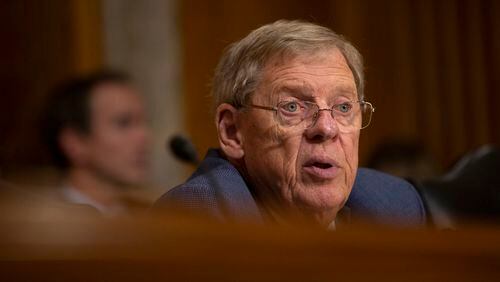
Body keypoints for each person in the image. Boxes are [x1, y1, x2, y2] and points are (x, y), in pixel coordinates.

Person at [154, 20, 425, 228]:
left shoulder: (394, 205)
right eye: (292, 107)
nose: (326, 128)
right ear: (233, 132)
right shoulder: (196, 218)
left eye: (343, 107)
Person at [41, 71, 151, 216]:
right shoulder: (44, 223)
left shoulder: (149, 215)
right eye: (123, 123)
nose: (145, 136)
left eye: (142, 122)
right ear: (74, 143)